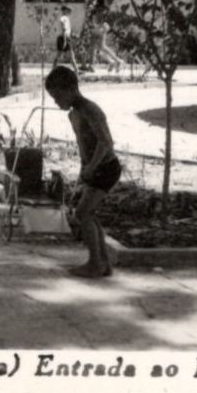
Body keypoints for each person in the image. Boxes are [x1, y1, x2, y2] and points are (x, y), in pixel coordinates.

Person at [45, 65, 121, 279]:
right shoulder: (75, 114)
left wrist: (92, 167)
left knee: (82, 213)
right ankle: (103, 263)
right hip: (94, 168)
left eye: (57, 96)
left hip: (106, 168)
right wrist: (84, 169)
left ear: (70, 89)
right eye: (53, 97)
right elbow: (84, 144)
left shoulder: (90, 110)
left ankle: (95, 264)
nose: (56, 101)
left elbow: (106, 142)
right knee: (88, 213)